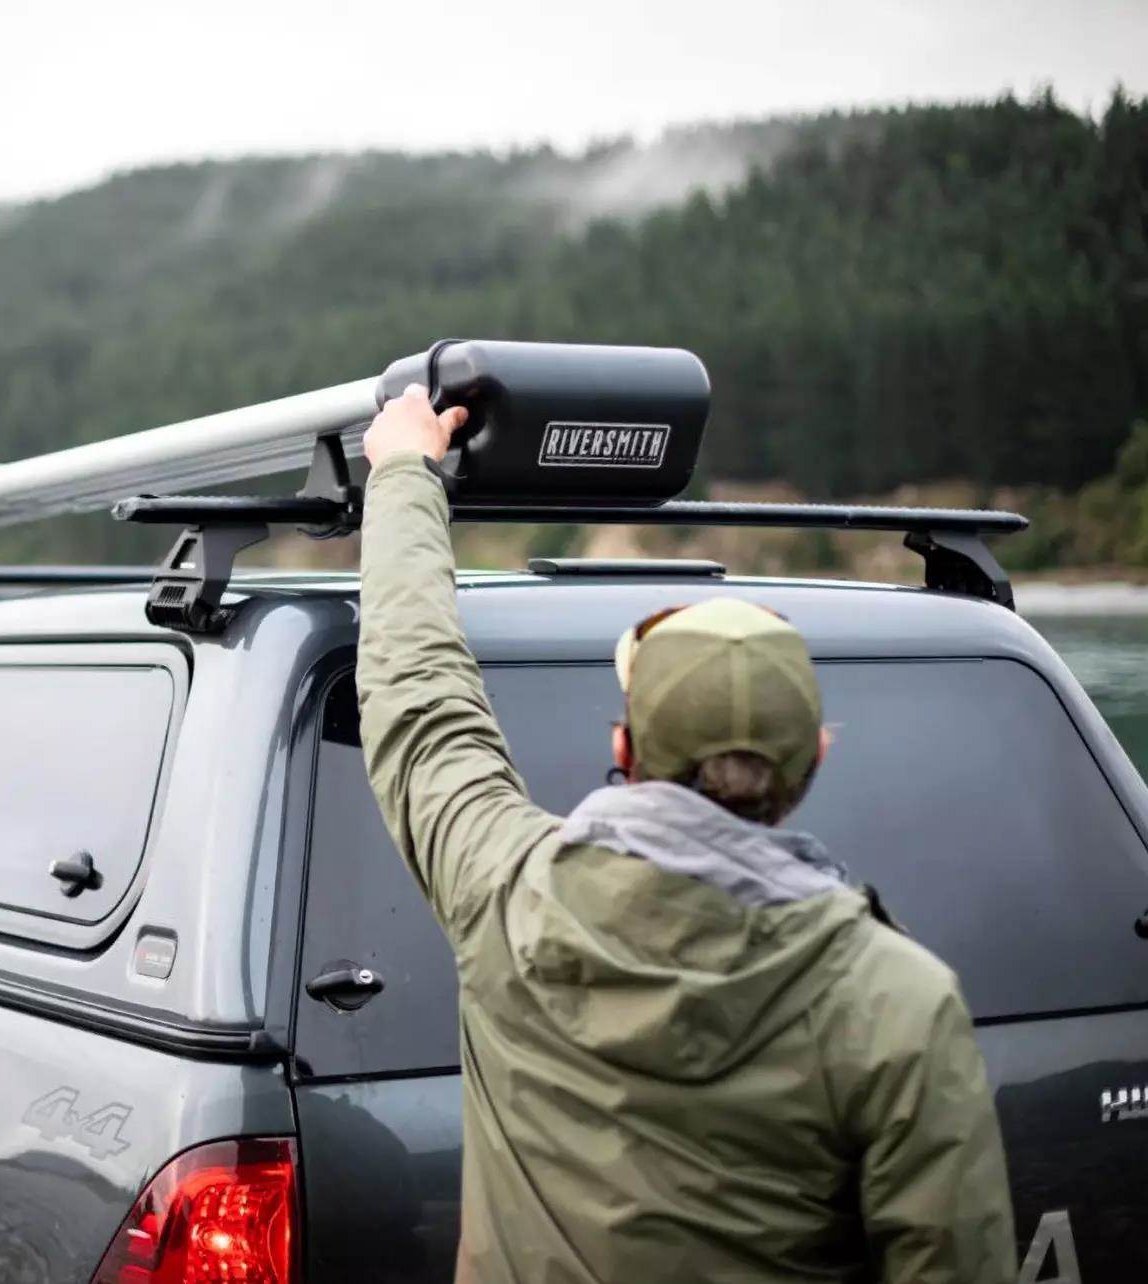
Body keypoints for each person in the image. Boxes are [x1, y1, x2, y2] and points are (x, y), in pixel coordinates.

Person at [356, 383, 1017, 1284]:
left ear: (622, 745)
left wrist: (404, 476)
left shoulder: (506, 895)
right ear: (813, 760)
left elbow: (419, 697)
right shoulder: (899, 1002)